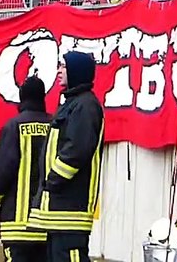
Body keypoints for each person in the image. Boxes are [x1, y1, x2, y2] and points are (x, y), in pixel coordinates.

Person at [29, 51, 104, 262]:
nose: (59, 70)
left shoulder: (85, 106)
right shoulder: (73, 103)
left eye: (63, 66)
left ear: (76, 71)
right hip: (60, 209)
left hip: (71, 209)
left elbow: (76, 152)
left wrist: (53, 180)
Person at [0, 76, 51, 262]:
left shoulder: (13, 127)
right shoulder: (54, 126)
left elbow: (3, 171)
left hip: (17, 225)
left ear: (22, 97)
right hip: (47, 224)